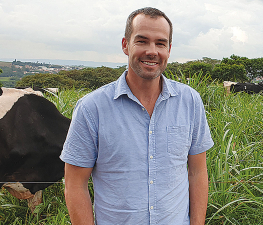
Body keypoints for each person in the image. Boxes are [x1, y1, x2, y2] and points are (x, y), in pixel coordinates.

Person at [60, 7, 214, 225]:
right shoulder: (91, 108)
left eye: (160, 43)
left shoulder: (190, 101)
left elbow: (197, 172)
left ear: (169, 49)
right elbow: (75, 184)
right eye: (142, 41)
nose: (152, 51)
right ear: (126, 45)